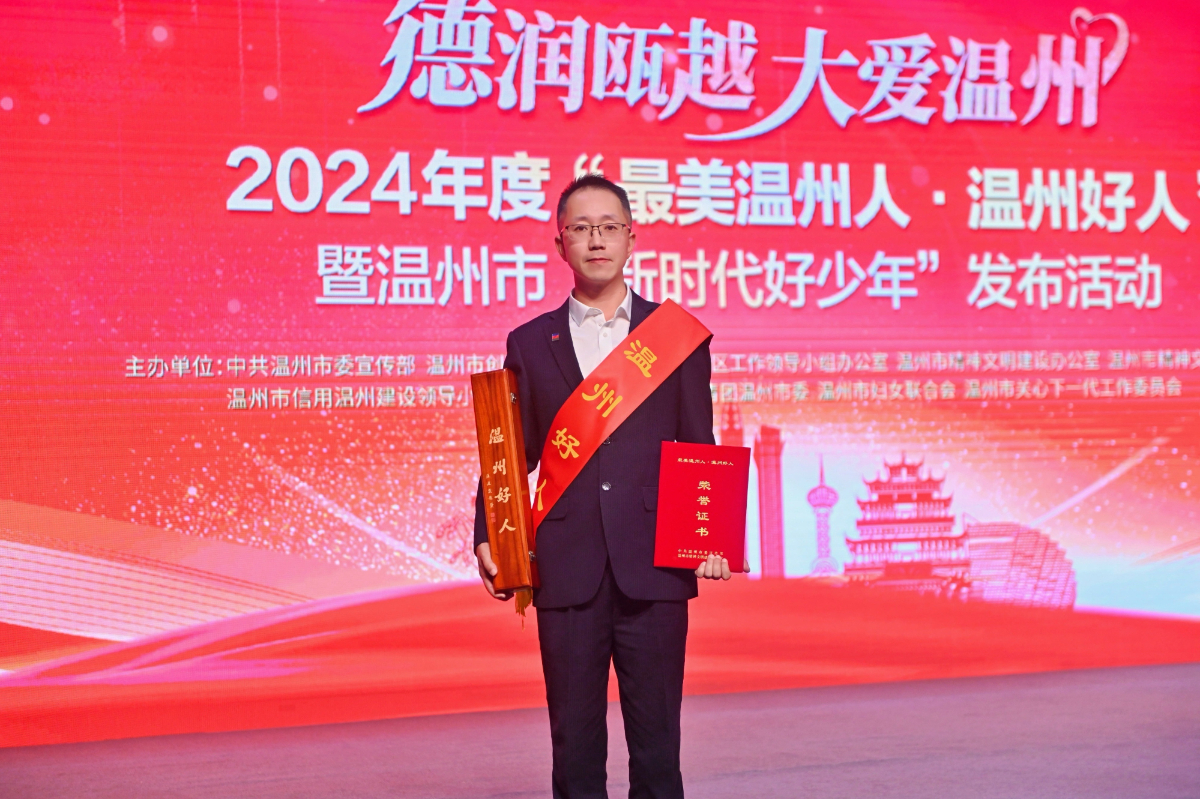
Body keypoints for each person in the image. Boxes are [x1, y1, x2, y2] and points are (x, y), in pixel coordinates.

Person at [473, 174, 735, 799]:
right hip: (568, 566)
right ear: (560, 244)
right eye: (582, 228)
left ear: (631, 239)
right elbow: (511, 452)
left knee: (658, 750)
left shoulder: (675, 338)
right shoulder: (530, 342)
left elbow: (698, 444)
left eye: (609, 227)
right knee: (575, 751)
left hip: (655, 562)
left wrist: (714, 535)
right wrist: (489, 533)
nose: (597, 240)